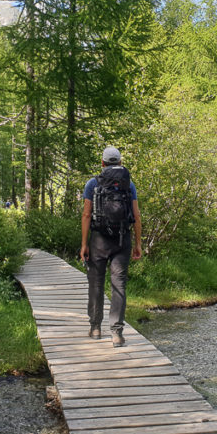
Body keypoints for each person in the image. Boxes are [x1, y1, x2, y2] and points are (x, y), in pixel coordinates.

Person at [80, 146, 142, 347]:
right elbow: (137, 215)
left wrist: (84, 245)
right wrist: (138, 244)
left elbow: (87, 215)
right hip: (122, 240)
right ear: (120, 162)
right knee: (119, 285)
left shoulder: (92, 184)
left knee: (96, 283)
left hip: (98, 240)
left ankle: (95, 328)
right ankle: (116, 333)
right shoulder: (128, 185)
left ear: (102, 162)